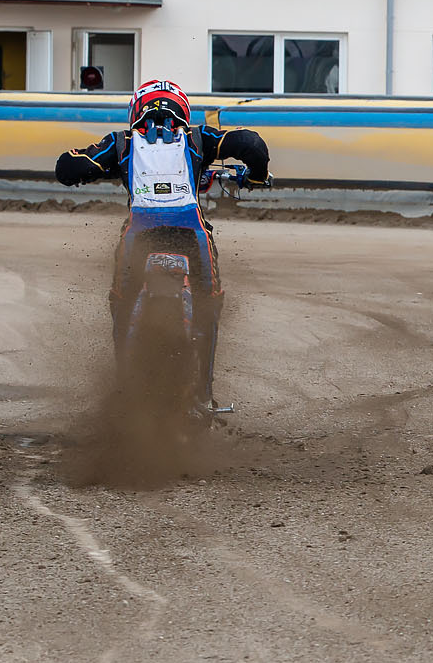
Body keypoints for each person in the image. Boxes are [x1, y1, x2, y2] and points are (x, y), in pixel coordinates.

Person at [54, 80, 271, 415]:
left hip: (139, 236)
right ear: (182, 111)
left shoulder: (121, 143)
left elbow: (67, 167)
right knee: (209, 304)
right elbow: (250, 144)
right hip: (192, 235)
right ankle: (203, 393)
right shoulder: (199, 139)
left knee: (121, 302)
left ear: (135, 112)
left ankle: (124, 386)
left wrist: (87, 169)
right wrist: (256, 176)